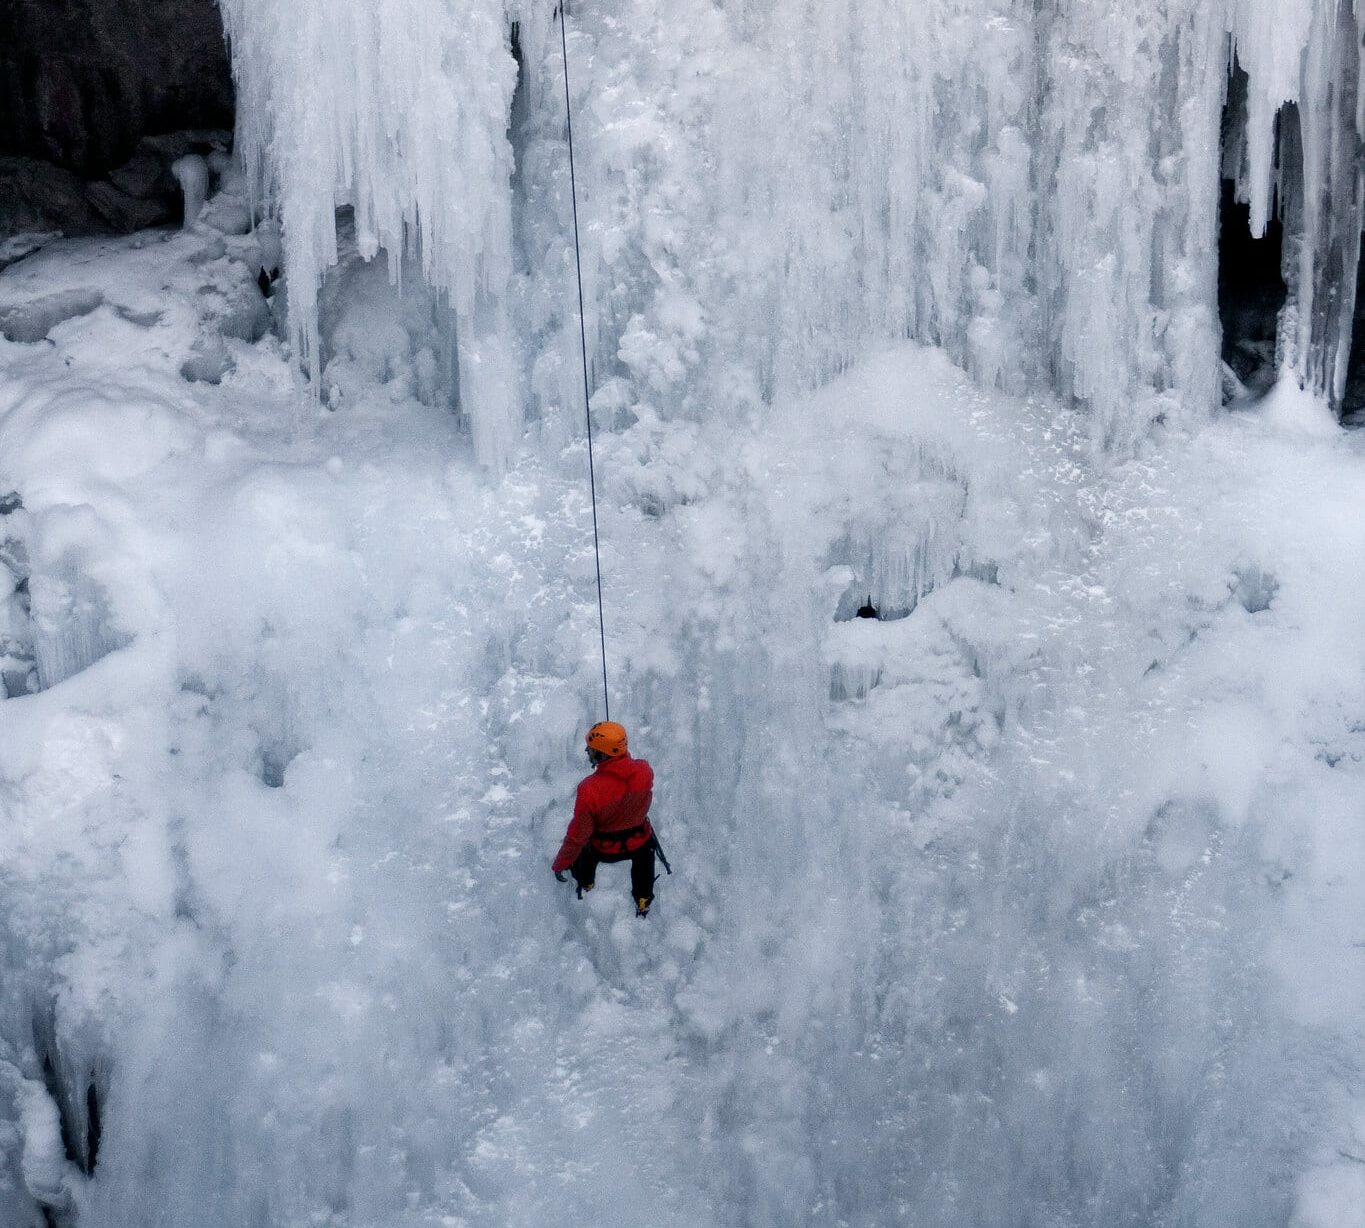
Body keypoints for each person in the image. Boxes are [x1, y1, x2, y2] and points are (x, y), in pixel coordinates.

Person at [552, 721, 657, 917]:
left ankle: (586, 881)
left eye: (591, 750)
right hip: (639, 842)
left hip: (605, 849)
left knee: (585, 848)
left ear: (602, 755)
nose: (587, 751)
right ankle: (643, 900)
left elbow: (578, 836)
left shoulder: (589, 788)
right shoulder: (645, 770)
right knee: (646, 853)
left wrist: (560, 863)